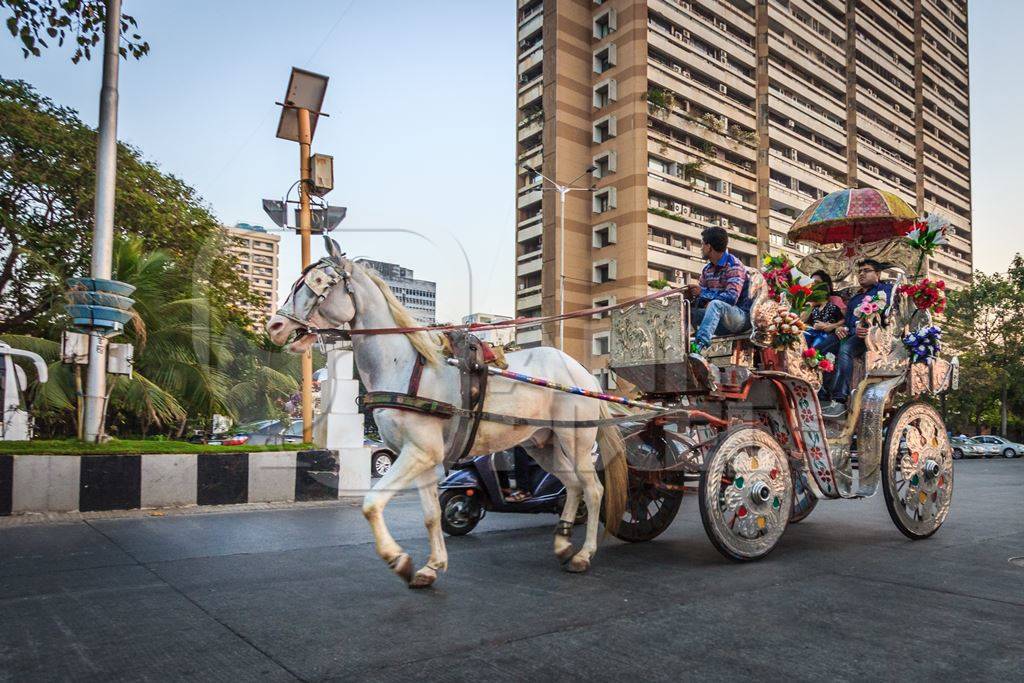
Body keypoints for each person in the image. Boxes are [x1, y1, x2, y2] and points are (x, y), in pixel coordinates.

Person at [821, 259, 893, 418]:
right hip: (851, 332)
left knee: (845, 350)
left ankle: (840, 399)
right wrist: (840, 328)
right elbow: (846, 322)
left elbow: (887, 317)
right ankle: (822, 393)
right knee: (820, 348)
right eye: (860, 271)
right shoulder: (854, 299)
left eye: (866, 271)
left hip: (872, 337)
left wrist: (868, 327)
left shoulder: (886, 290)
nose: (861, 274)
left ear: (878, 274)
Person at [685, 226, 750, 353]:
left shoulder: (734, 266)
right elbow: (702, 299)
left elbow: (731, 297)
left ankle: (698, 348)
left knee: (716, 305)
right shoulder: (707, 270)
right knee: (685, 310)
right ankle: (681, 348)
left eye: (702, 244)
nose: (701, 248)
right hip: (716, 320)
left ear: (709, 247)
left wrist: (703, 293)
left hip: (739, 318)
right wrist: (691, 296)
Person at [804, 271, 845, 356]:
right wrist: (812, 305)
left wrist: (829, 326)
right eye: (812, 283)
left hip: (828, 334)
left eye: (818, 283)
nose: (814, 286)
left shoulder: (834, 301)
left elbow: (844, 320)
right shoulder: (809, 302)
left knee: (815, 347)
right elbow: (803, 321)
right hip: (812, 331)